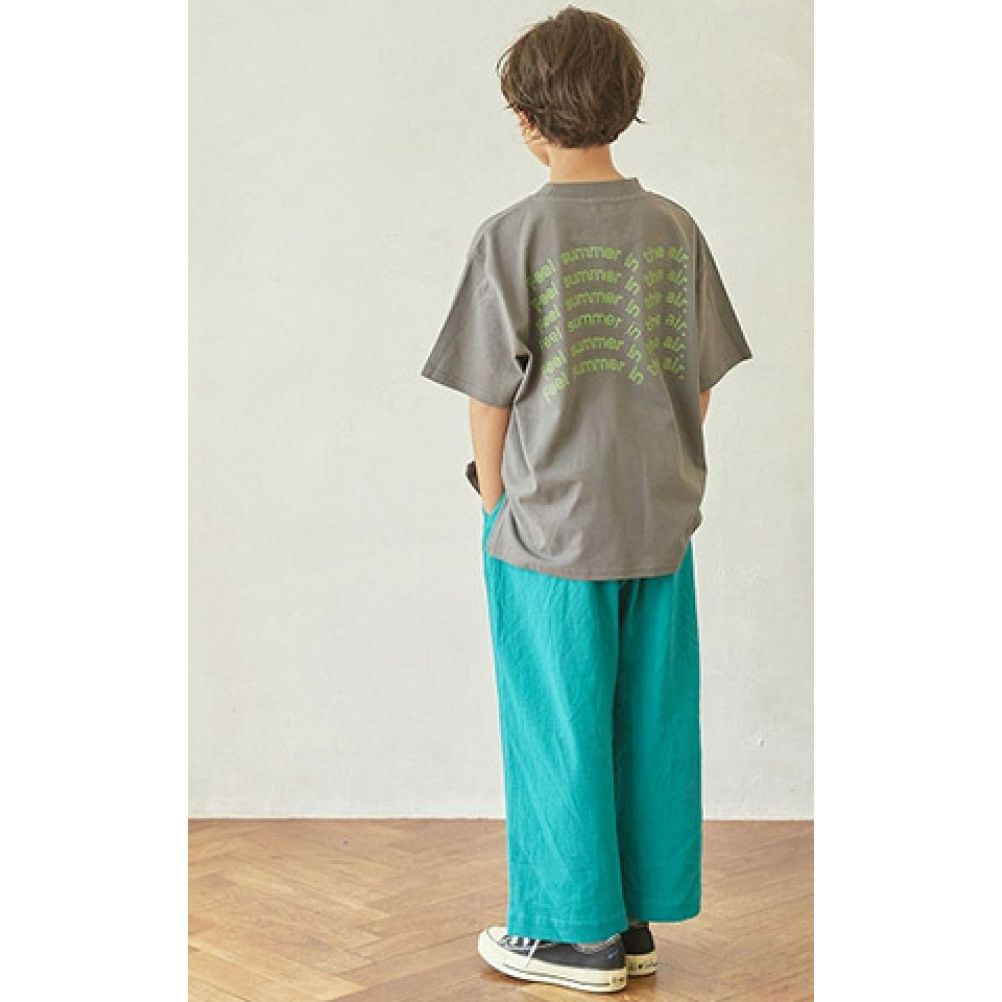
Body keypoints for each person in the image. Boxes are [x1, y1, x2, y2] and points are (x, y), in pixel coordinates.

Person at [420, 5, 753, 994]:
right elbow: (697, 383)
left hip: (549, 533)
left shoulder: (512, 235)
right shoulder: (674, 229)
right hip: (657, 524)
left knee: (556, 722)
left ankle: (570, 935)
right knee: (647, 720)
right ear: (627, 105)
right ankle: (632, 920)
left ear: (526, 117)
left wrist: (494, 502)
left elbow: (490, 396)